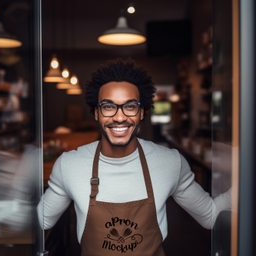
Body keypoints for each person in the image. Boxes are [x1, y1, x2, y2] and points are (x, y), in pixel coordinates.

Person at [37, 58, 231, 255]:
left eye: (130, 106)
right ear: (96, 113)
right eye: (108, 106)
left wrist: (249, 179)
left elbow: (209, 215)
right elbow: (41, 221)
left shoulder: (170, 163)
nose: (119, 117)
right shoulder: (70, 165)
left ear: (142, 113)